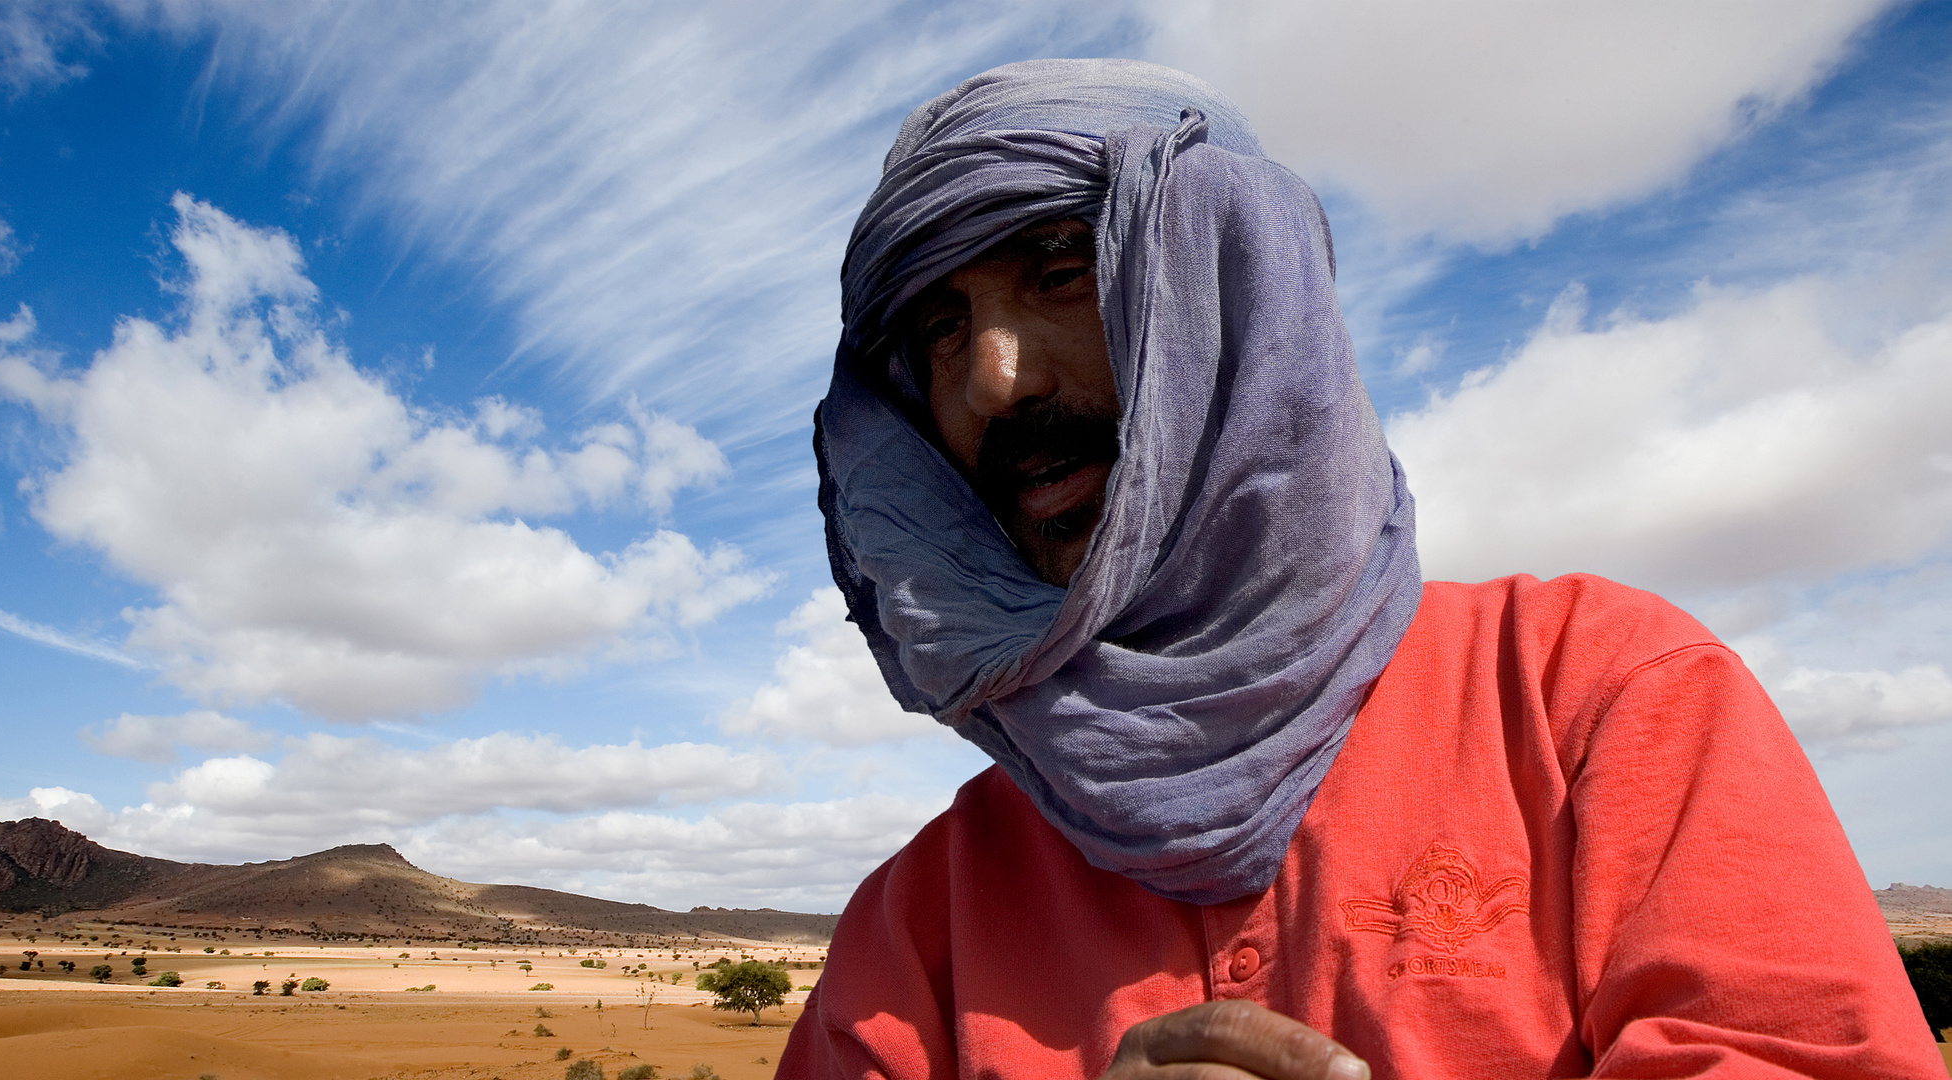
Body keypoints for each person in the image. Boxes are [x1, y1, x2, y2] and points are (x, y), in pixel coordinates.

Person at [777, 59, 1940, 1080]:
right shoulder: (923, 922)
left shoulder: (1596, 700)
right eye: (938, 331)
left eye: (1061, 273)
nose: (992, 382)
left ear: (1237, 289)